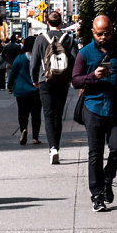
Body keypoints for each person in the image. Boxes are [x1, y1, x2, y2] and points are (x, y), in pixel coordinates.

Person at [71, 14, 117, 212]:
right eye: (99, 33)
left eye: (107, 33)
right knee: (95, 153)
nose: (103, 37)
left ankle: (108, 177)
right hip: (93, 109)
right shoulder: (84, 54)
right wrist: (92, 77)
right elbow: (75, 80)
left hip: (116, 109)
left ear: (113, 32)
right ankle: (97, 195)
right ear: (93, 32)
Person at [31, 10, 77, 165]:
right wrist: (71, 78)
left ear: (48, 23)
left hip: (45, 80)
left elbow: (34, 62)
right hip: (62, 81)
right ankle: (56, 145)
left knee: (49, 115)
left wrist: (34, 79)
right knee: (58, 115)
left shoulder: (40, 39)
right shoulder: (68, 39)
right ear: (62, 23)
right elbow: (75, 60)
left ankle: (53, 148)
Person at [8, 35, 41, 145]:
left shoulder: (20, 58)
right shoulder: (39, 58)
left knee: (22, 113)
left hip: (21, 90)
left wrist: (9, 84)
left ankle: (23, 130)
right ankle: (35, 137)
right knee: (36, 114)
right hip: (36, 90)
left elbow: (13, 73)